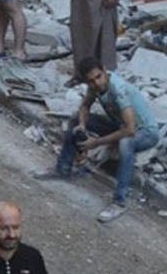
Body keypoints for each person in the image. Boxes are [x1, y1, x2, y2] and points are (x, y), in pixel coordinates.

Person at [57, 59, 159, 222]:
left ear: (105, 71)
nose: (97, 83)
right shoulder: (94, 87)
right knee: (76, 119)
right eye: (91, 81)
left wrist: (96, 143)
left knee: (126, 144)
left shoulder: (118, 89)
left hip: (145, 131)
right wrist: (82, 125)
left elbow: (130, 129)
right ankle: (63, 169)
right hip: (120, 124)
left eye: (99, 77)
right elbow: (84, 107)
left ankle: (119, 202)